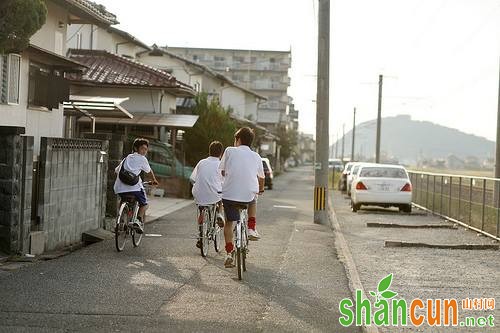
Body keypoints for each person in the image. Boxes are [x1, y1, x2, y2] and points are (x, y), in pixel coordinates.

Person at [219, 127, 265, 268]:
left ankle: (228, 252)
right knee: (254, 196)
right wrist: (261, 189)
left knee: (228, 223)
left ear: (238, 140)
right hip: (247, 195)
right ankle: (251, 228)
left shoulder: (229, 150)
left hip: (229, 195)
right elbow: (261, 177)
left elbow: (221, 170)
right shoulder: (256, 156)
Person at [114, 138, 159, 234]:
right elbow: (149, 170)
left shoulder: (127, 158)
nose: (144, 151)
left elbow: (116, 170)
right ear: (136, 148)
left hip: (120, 188)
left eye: (146, 149)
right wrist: (154, 180)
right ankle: (137, 220)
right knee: (145, 203)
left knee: (123, 200)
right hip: (134, 188)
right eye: (142, 148)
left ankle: (120, 221)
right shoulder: (142, 158)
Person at [190, 141, 225, 249]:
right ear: (221, 153)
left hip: (198, 193)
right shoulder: (221, 164)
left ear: (209, 151)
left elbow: (192, 178)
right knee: (221, 198)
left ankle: (201, 235)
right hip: (214, 195)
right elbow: (225, 181)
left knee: (201, 208)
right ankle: (219, 213)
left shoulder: (201, 162)